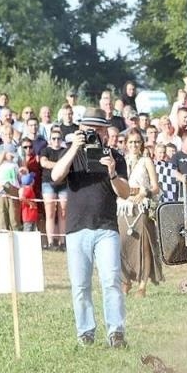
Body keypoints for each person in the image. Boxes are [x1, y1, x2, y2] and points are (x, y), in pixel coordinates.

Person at [53, 114, 131, 347]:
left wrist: (113, 173)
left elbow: (125, 193)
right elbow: (56, 176)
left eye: (98, 130)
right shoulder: (71, 153)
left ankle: (116, 332)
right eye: (88, 130)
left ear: (106, 133)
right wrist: (74, 148)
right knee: (80, 285)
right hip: (77, 228)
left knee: (111, 281)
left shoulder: (115, 157)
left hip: (106, 227)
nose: (93, 135)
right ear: (79, 130)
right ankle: (85, 332)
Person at [119, 130, 164, 296]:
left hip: (142, 207)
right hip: (124, 206)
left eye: (137, 142)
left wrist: (145, 192)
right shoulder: (121, 161)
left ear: (141, 144)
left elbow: (156, 187)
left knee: (143, 245)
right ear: (126, 144)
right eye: (131, 142)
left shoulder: (146, 161)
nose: (134, 145)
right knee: (122, 243)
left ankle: (142, 285)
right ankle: (125, 280)